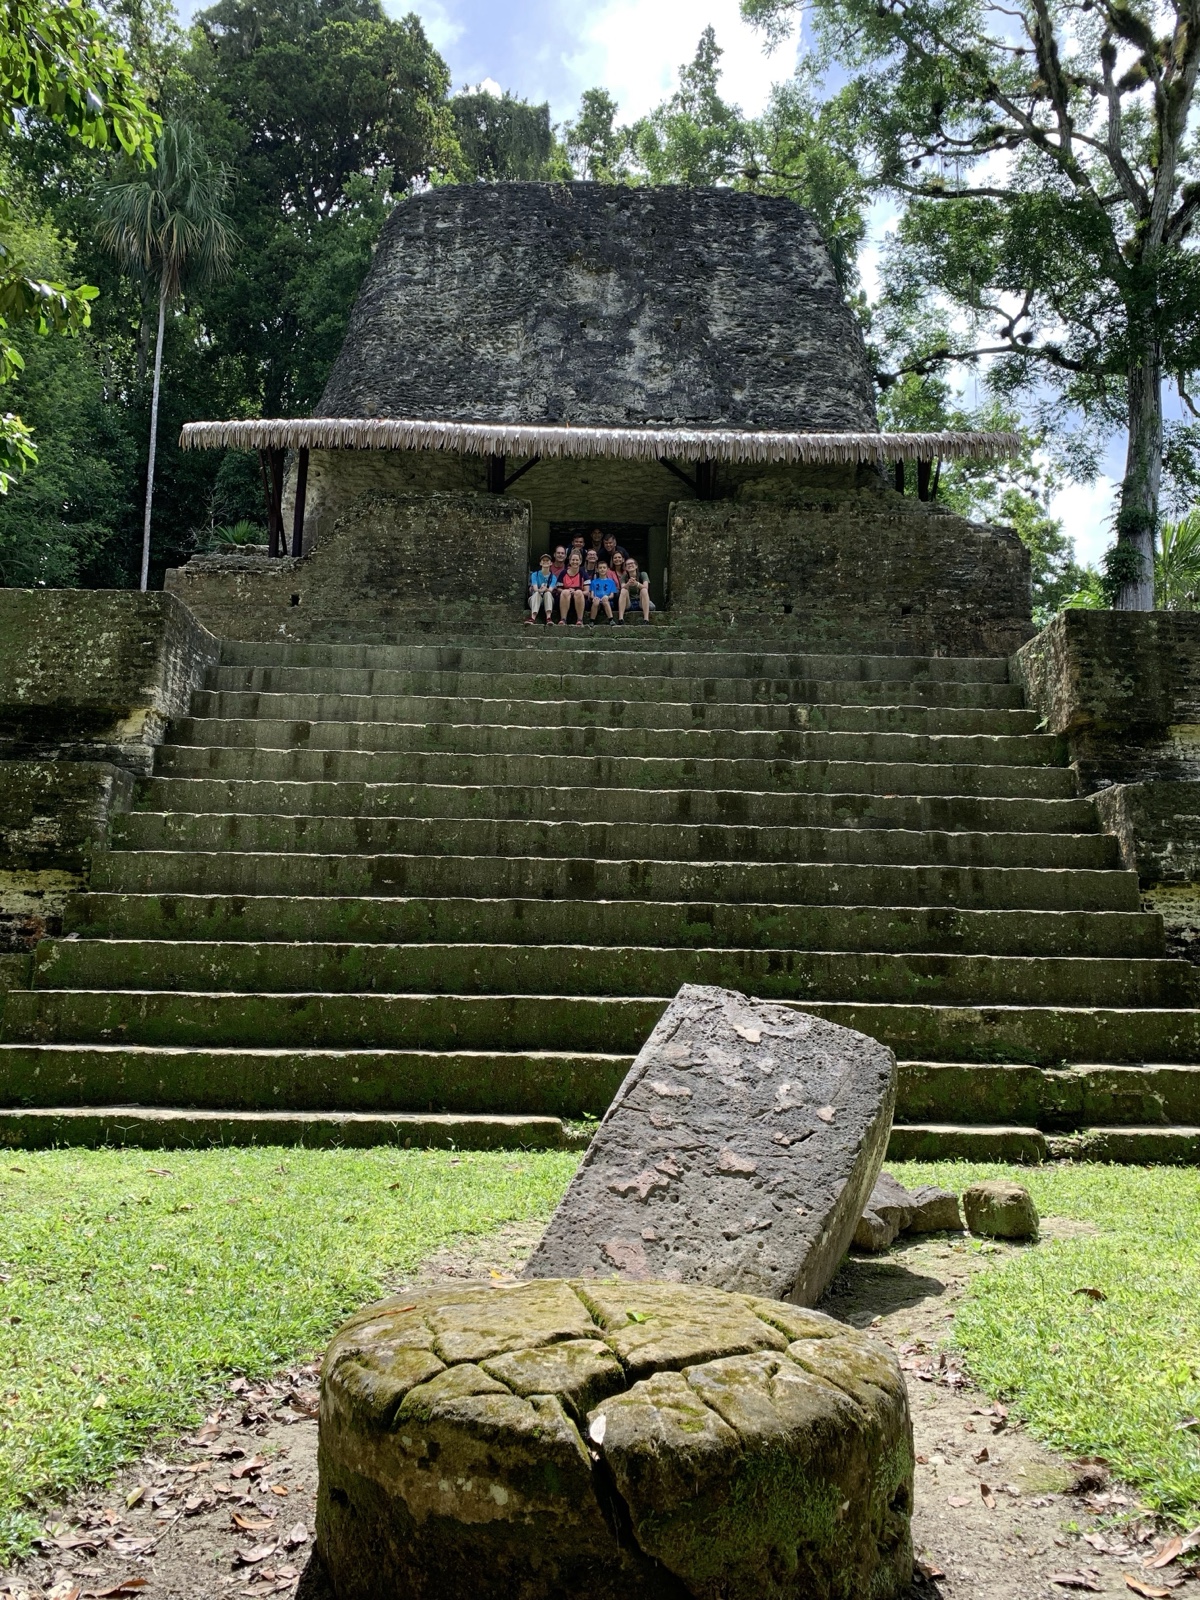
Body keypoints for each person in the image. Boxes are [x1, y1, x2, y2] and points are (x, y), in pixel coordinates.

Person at [618, 558, 652, 623]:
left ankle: (646, 619)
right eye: (628, 564)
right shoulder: (624, 576)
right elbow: (622, 587)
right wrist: (628, 584)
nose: (630, 565)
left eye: (632, 563)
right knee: (623, 590)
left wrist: (637, 584)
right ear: (625, 568)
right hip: (629, 603)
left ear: (636, 566)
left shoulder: (643, 574)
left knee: (644, 590)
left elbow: (646, 587)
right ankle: (620, 619)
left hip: (640, 602)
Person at [557, 549, 587, 624]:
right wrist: (568, 591)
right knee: (565, 592)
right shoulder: (563, 573)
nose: (575, 562)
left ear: (580, 561)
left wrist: (575, 592)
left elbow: (587, 592)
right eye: (573, 560)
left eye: (577, 560)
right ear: (570, 561)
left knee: (579, 592)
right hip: (565, 598)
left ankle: (580, 620)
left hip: (580, 598)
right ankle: (563, 619)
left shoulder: (583, 574)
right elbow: (558, 589)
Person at [527, 553, 557, 624]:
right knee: (537, 593)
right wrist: (541, 590)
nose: (545, 562)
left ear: (551, 563)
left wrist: (545, 589)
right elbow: (535, 589)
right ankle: (533, 617)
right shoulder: (535, 574)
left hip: (547, 599)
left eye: (547, 560)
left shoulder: (553, 577)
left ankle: (548, 617)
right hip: (535, 599)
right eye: (543, 560)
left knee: (548, 593)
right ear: (540, 563)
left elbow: (550, 590)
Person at [588, 559, 619, 623]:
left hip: (608, 601)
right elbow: (591, 595)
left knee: (605, 601)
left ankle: (611, 620)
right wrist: (594, 598)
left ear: (607, 569)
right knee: (596, 602)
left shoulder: (611, 582)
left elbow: (612, 595)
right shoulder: (593, 582)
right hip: (597, 601)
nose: (602, 569)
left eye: (604, 568)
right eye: (600, 568)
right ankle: (592, 621)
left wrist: (607, 597)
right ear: (597, 569)